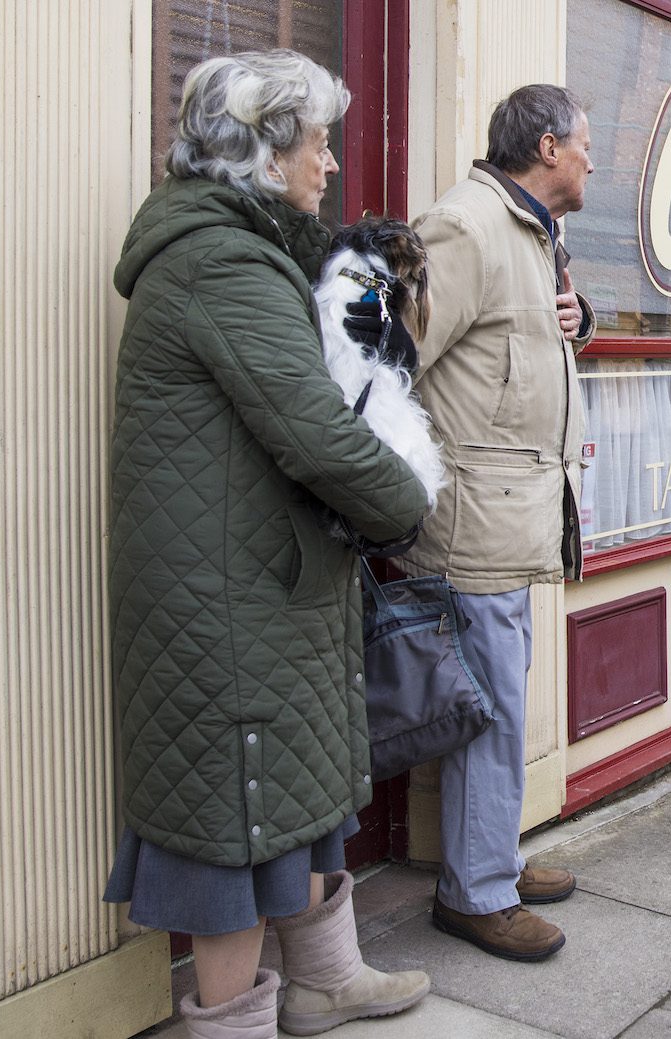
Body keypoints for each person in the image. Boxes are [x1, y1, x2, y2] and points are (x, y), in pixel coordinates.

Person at [103, 50, 431, 1037]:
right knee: (236, 828)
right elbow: (317, 429)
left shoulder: (245, 251)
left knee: (293, 792)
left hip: (261, 588)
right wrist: (404, 506)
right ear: (261, 152)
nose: (330, 166)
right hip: (230, 606)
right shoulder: (223, 261)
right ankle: (234, 1023)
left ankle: (326, 981)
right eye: (317, 145)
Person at [400, 83, 596, 962]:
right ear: (548, 147)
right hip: (472, 524)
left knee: (501, 706)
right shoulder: (467, 226)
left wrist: (578, 321)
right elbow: (390, 359)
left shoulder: (530, 231)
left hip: (515, 518)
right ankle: (474, 894)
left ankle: (490, 862)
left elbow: (513, 350)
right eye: (585, 145)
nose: (594, 161)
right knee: (488, 714)